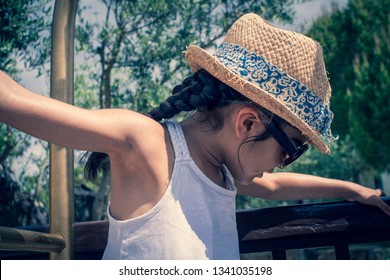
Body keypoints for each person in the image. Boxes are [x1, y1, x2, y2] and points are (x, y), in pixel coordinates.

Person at [0, 13, 389, 260]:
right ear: (248, 124)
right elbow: (14, 100)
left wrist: (352, 190)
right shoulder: (149, 144)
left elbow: (275, 186)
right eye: (291, 150)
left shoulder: (222, 173)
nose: (282, 163)